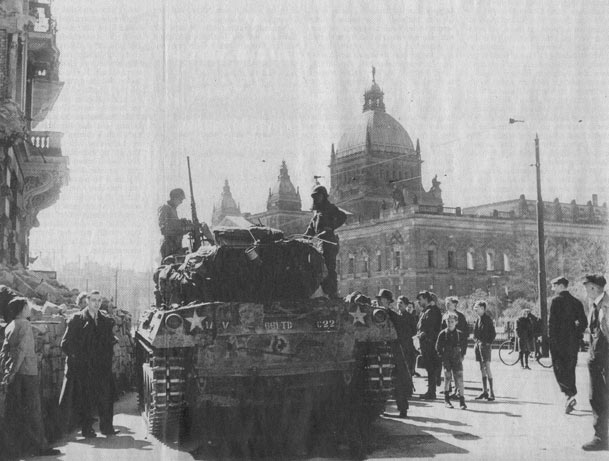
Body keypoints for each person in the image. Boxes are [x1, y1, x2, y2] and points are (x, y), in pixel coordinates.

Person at [0, 297, 61, 457]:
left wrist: (8, 371)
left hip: (16, 374)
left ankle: (17, 448)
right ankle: (40, 446)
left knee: (15, 411)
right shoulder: (25, 325)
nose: (29, 309)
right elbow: (21, 351)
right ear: (22, 309)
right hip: (27, 373)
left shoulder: (10, 325)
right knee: (34, 411)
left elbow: (5, 351)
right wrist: (13, 371)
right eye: (27, 306)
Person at [59, 290, 119, 438]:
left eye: (99, 300)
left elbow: (110, 338)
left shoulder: (105, 320)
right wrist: (78, 358)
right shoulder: (77, 319)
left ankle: (107, 428)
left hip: (102, 366)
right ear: (87, 301)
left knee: (106, 397)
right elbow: (65, 344)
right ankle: (87, 429)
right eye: (93, 300)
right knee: (86, 399)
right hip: (85, 368)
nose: (96, 303)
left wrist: (113, 345)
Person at [548, 276, 588, 414]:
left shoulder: (555, 301)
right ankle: (570, 395)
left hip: (558, 342)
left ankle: (569, 394)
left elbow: (552, 323)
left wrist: (550, 340)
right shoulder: (576, 302)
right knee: (570, 368)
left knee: (559, 368)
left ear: (560, 286)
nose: (553, 288)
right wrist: (576, 332)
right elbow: (584, 323)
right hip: (572, 343)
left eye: (554, 286)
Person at [581, 274, 609, 451]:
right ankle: (600, 436)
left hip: (604, 361)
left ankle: (601, 439)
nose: (585, 291)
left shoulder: (605, 307)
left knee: (600, 398)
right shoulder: (595, 306)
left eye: (586, 287)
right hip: (597, 360)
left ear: (593, 287)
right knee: (596, 398)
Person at [304, 185, 347, 298]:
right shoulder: (316, 214)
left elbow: (343, 216)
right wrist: (303, 239)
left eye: (318, 196)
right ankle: (324, 291)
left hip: (328, 242)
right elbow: (310, 231)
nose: (316, 198)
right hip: (319, 243)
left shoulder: (330, 208)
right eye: (315, 197)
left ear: (323, 196)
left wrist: (331, 227)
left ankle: (332, 293)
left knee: (329, 267)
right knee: (320, 267)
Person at [378, 290, 413, 418]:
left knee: (398, 379)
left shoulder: (393, 316)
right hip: (379, 349)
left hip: (392, 349)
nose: (379, 301)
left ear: (388, 301)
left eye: (382, 299)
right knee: (379, 379)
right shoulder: (375, 314)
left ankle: (403, 408)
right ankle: (381, 407)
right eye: (379, 298)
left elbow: (402, 334)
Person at [436, 313, 468, 410]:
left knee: (460, 378)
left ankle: (462, 401)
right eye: (448, 322)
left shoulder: (460, 334)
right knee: (447, 378)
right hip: (447, 358)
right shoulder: (442, 334)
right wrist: (442, 357)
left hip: (457, 358)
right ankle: (446, 400)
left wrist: (462, 355)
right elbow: (438, 347)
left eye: (452, 322)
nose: (450, 324)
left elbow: (464, 346)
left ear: (456, 322)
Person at [416, 291, 442, 399]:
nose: (418, 302)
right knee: (429, 367)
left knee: (431, 368)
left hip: (430, 344)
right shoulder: (426, 311)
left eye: (420, 299)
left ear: (426, 299)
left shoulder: (432, 311)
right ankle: (430, 391)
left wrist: (424, 334)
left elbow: (433, 328)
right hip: (425, 344)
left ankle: (431, 392)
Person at [441, 297, 469, 398]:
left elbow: (465, 335)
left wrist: (463, 352)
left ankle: (458, 391)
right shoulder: (444, 316)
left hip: (457, 349)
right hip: (446, 349)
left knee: (457, 371)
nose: (447, 305)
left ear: (455, 305)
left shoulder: (460, 317)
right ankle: (448, 389)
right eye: (446, 303)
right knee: (447, 371)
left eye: (449, 303)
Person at [158, 188, 193, 259]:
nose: (181, 202)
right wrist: (181, 227)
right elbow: (164, 229)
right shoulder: (165, 208)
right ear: (174, 198)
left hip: (176, 246)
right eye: (180, 199)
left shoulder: (173, 209)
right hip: (169, 247)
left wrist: (182, 223)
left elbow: (174, 225)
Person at [473, 300, 496, 401]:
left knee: (487, 367)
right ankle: (485, 391)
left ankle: (491, 393)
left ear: (482, 309)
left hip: (485, 346)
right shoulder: (478, 319)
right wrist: (476, 341)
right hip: (478, 345)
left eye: (477, 308)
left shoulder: (487, 320)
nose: (475, 310)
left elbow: (493, 333)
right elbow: (475, 333)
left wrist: (487, 343)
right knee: (482, 368)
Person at [397, 295, 418, 379]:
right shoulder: (396, 316)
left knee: (407, 367)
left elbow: (414, 331)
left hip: (407, 345)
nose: (399, 304)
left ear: (406, 305)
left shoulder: (409, 317)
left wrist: (406, 335)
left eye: (401, 303)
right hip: (398, 344)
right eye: (398, 302)